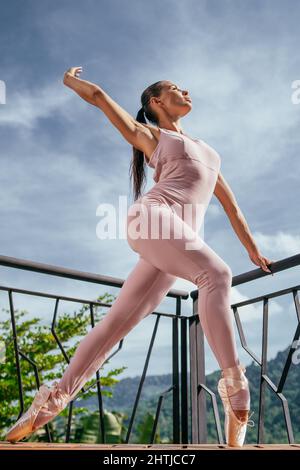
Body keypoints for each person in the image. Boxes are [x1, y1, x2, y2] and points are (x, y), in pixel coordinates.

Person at [6, 68, 274, 447]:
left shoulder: (211, 154)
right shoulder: (153, 137)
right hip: (151, 218)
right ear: (156, 102)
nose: (185, 90)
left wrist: (253, 250)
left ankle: (49, 403)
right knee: (216, 275)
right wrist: (67, 79)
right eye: (175, 88)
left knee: (115, 326)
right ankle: (236, 389)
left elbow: (233, 209)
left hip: (173, 243)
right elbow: (99, 96)